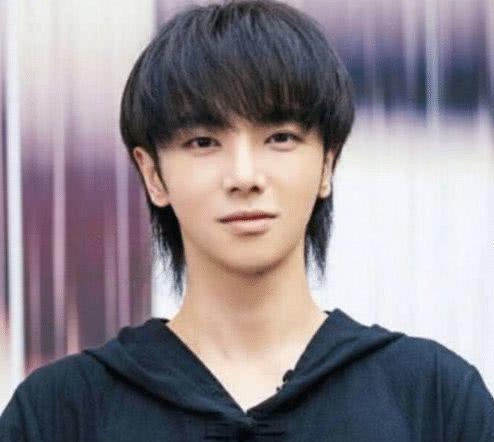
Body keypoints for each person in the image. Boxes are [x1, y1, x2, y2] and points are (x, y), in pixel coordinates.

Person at [1, 0, 493, 440]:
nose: (244, 176)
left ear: (328, 163)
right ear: (153, 175)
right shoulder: (60, 413)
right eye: (203, 142)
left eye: (280, 138)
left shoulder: (432, 399)